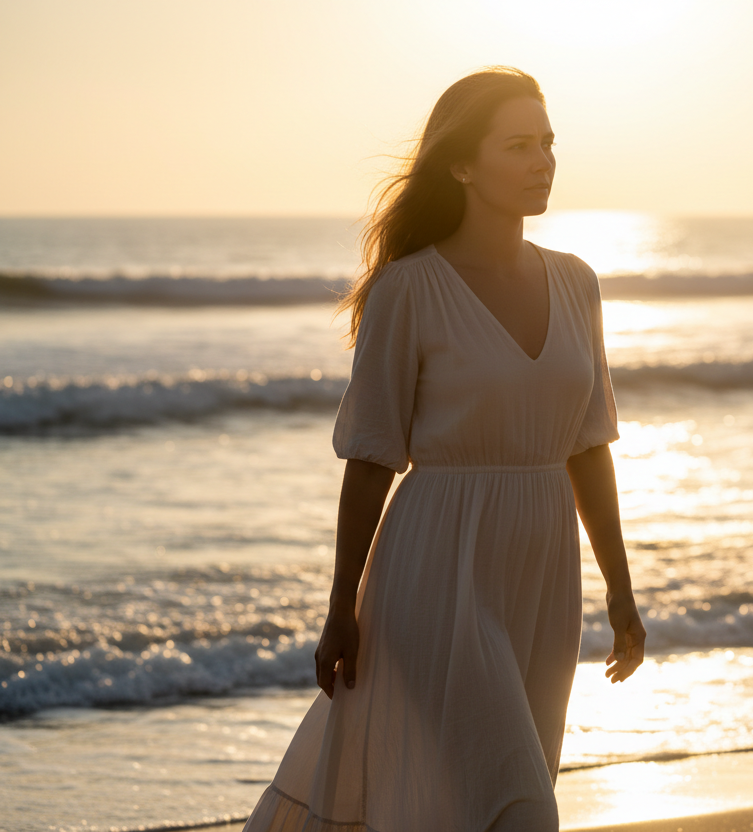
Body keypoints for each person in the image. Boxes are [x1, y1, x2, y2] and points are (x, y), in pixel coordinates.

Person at [241, 66, 646, 832]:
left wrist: (620, 592)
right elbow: (371, 458)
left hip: (541, 575)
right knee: (521, 809)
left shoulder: (578, 283)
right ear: (462, 164)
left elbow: (590, 446)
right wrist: (340, 607)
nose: (542, 161)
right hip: (436, 569)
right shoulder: (409, 291)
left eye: (548, 143)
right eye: (518, 145)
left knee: (480, 804)